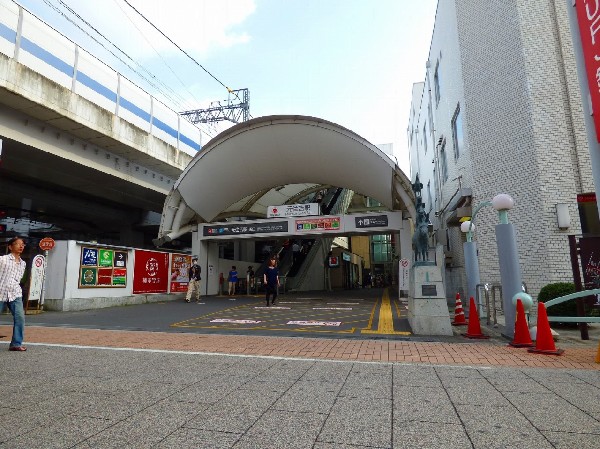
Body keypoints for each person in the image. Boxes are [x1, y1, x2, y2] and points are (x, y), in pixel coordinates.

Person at [0, 236, 27, 351]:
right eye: (17, 244)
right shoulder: (2, 259)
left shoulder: (23, 264)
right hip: (0, 291)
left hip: (15, 293)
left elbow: (18, 279)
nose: (21, 246)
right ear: (10, 247)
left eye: (23, 244)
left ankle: (16, 344)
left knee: (20, 317)